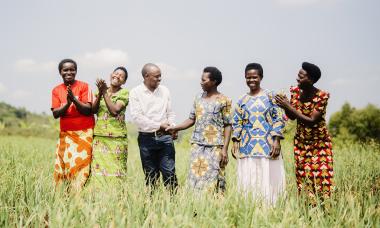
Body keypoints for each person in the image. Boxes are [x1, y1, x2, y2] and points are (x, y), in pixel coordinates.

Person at [166, 67, 232, 193]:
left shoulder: (224, 100)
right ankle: (196, 206)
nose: (201, 82)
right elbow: (191, 119)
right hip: (197, 144)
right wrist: (175, 127)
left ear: (214, 81)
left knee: (213, 176)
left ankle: (213, 204)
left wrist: (224, 149)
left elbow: (228, 125)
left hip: (215, 146)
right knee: (195, 176)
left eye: (204, 80)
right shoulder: (198, 98)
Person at [275, 62, 334, 201]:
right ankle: (308, 213)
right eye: (298, 75)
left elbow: (311, 121)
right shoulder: (295, 92)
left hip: (320, 145)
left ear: (311, 80)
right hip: (301, 144)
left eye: (301, 77)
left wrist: (288, 106)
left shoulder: (322, 96)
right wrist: (285, 107)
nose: (297, 79)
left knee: (323, 179)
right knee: (304, 181)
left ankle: (325, 211)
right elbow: (291, 116)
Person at [231, 63, 286, 204]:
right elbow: (237, 122)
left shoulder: (271, 97)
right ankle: (250, 208)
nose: (251, 80)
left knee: (269, 179)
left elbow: (278, 118)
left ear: (261, 77)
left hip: (268, 146)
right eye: (248, 77)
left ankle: (272, 209)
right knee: (250, 180)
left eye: (254, 77)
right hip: (247, 147)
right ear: (245, 78)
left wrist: (277, 140)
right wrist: (235, 141)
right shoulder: (241, 100)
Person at [129, 63, 178, 192]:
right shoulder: (135, 92)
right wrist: (158, 125)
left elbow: (170, 113)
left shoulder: (165, 90)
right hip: (146, 139)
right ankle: (153, 206)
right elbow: (137, 117)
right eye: (157, 76)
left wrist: (172, 127)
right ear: (146, 76)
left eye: (160, 76)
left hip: (165, 138)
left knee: (169, 173)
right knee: (151, 175)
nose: (159, 79)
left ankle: (174, 204)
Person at [51, 58, 95, 191]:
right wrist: (68, 104)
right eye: (65, 70)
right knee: (65, 164)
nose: (69, 72)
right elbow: (56, 113)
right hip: (66, 134)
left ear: (76, 71)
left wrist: (74, 100)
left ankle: (78, 192)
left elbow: (88, 110)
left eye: (72, 69)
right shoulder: (56, 90)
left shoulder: (84, 86)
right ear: (60, 72)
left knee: (81, 164)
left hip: (84, 132)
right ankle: (65, 194)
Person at [90, 66, 129, 185]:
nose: (117, 76)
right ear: (111, 74)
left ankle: (116, 198)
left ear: (124, 81)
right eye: (116, 73)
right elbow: (93, 110)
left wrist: (104, 92)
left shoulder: (124, 93)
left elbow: (115, 110)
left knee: (116, 172)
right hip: (100, 138)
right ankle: (99, 198)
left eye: (121, 76)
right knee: (98, 171)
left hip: (116, 139)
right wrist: (101, 92)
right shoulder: (100, 91)